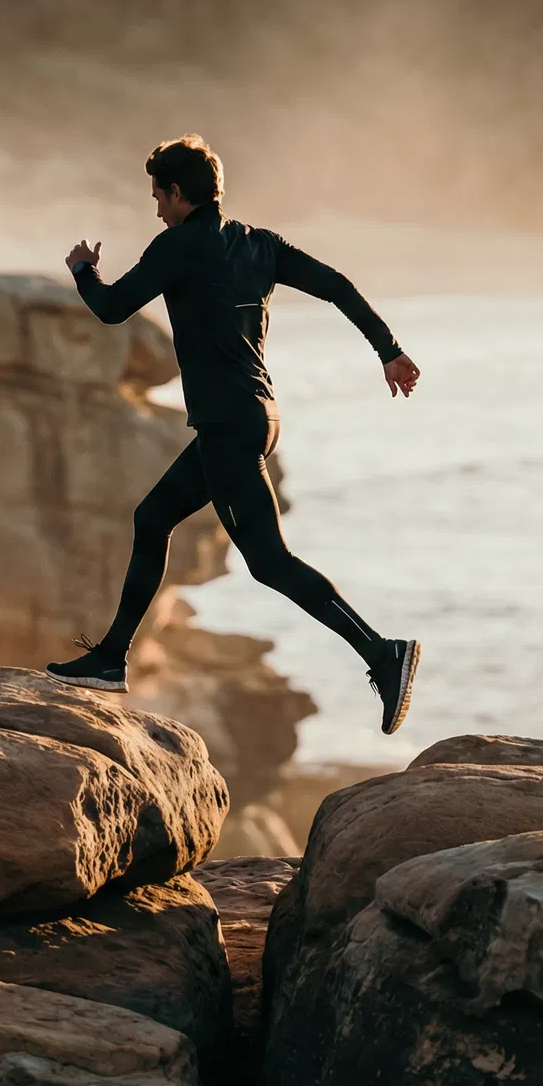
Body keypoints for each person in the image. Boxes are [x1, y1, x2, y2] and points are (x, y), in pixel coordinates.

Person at [46, 134, 423, 734]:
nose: (156, 209)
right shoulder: (260, 245)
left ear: (178, 193)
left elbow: (114, 308)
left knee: (269, 562)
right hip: (258, 417)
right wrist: (390, 351)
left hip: (226, 424)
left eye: (158, 196)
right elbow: (337, 285)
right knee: (153, 518)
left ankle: (384, 654)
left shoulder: (177, 248)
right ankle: (111, 659)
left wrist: (84, 271)